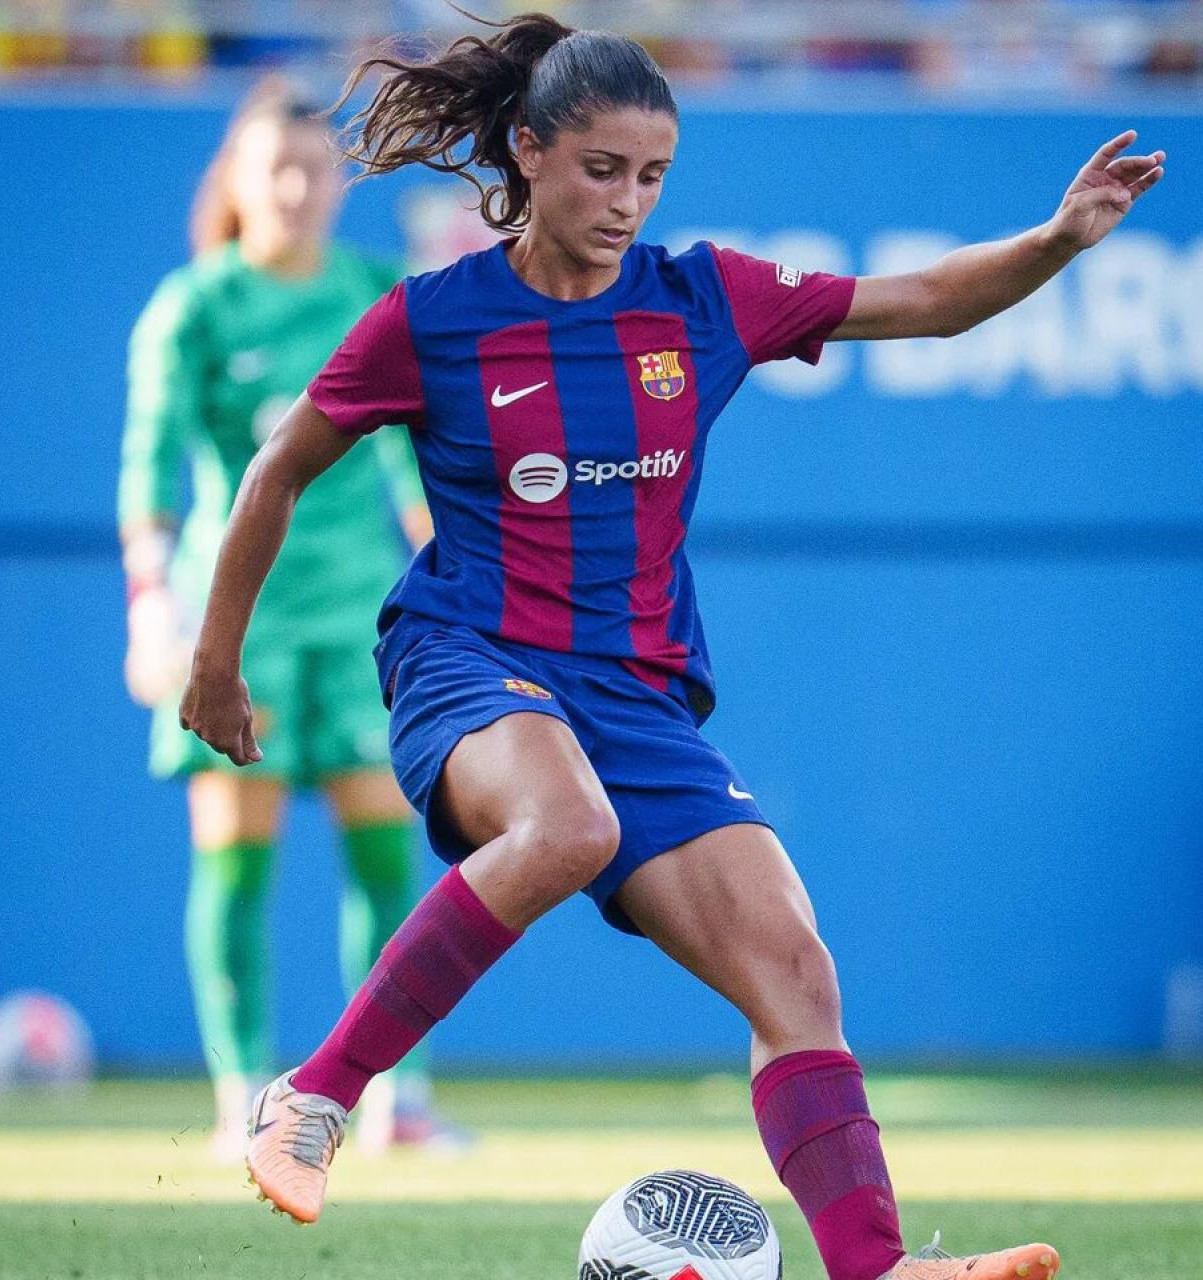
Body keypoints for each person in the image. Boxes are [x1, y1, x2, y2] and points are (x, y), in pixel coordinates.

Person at [178, 13, 1165, 1278]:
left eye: (651, 176)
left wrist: (1050, 240)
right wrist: (215, 658)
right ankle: (312, 1096)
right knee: (566, 826)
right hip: (467, 659)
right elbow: (277, 470)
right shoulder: (431, 319)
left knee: (796, 976)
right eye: (600, 169)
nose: (626, 201)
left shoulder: (703, 297)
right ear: (527, 153)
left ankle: (873, 1265)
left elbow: (921, 301)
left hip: (633, 698)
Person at [118, 77, 460, 1161]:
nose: (302, 188)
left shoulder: (374, 292)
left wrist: (456, 587)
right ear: (238, 180)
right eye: (280, 168)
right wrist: (151, 613)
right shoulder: (195, 306)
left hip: (365, 623)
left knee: (383, 862)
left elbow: (418, 461)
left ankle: (390, 1095)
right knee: (234, 862)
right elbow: (150, 468)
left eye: (319, 169)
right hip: (243, 625)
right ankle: (238, 1096)